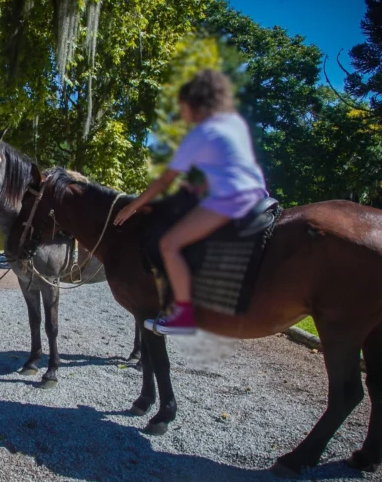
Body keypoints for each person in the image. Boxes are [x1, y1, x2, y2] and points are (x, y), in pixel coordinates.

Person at [112, 69, 269, 335]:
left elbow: (164, 181)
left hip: (231, 199)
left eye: (182, 106)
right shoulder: (234, 123)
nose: (181, 113)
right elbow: (229, 166)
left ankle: (183, 315)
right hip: (257, 193)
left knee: (169, 243)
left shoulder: (198, 134)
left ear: (194, 104)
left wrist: (132, 206)